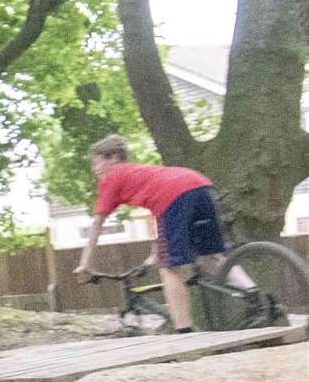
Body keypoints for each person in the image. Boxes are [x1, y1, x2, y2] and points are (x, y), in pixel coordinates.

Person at [73, 134, 251, 332]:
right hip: (201, 186)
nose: (94, 169)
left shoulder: (113, 176)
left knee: (170, 269)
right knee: (212, 258)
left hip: (175, 196)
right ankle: (256, 297)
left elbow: (97, 223)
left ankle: (184, 331)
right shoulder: (140, 173)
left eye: (96, 163)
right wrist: (154, 253)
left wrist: (84, 264)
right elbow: (162, 215)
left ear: (113, 158)